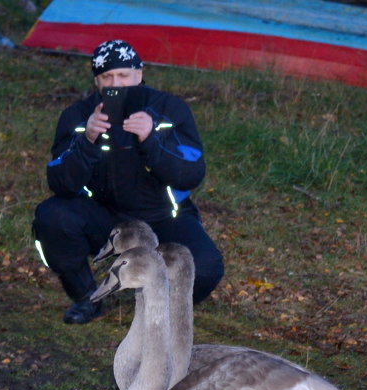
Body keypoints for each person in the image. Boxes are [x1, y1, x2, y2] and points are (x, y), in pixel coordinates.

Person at [33, 40, 224, 324]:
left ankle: (157, 305)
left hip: (164, 216)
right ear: (97, 81)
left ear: (139, 73)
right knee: (51, 217)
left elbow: (191, 173)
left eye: (124, 75)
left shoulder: (170, 109)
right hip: (103, 217)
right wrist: (87, 140)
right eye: (107, 77)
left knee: (206, 266)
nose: (117, 83)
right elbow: (60, 183)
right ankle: (88, 297)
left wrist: (151, 139)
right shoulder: (78, 116)